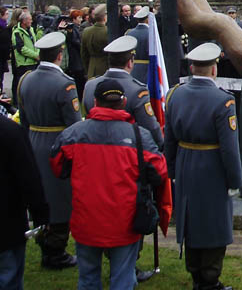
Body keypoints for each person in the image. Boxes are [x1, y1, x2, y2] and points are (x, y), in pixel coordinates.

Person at [50, 78, 170, 290]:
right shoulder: (138, 137)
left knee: (88, 279)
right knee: (122, 280)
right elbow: (159, 172)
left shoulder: (74, 135)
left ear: (95, 102)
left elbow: (58, 166)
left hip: (86, 220)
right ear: (123, 103)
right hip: (124, 222)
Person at [164, 43, 242, 290]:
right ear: (214, 70)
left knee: (192, 221)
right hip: (212, 168)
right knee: (213, 224)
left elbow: (169, 139)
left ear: (191, 67)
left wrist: (172, 171)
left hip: (186, 164)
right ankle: (209, 279)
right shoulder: (223, 101)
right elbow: (230, 148)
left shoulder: (175, 95)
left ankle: (197, 272)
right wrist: (235, 181)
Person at [18, 31, 82, 269]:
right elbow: (75, 125)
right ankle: (55, 249)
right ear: (59, 54)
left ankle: (46, 237)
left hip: (34, 141)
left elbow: (23, 118)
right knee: (60, 198)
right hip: (58, 145)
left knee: (41, 193)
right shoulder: (64, 84)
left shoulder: (26, 80)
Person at [83, 35, 164, 150]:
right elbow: (150, 127)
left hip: (94, 148)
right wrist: (161, 146)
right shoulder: (138, 90)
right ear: (130, 62)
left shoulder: (90, 85)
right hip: (126, 150)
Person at [0, 111, 49, 290]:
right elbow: (29, 179)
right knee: (8, 276)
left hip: (7, 221)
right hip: (6, 223)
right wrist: (41, 214)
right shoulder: (10, 131)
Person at [10, 11, 39, 107]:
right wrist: (35, 55)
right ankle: (20, 104)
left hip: (33, 62)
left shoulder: (31, 30)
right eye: (29, 19)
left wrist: (37, 53)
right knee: (23, 85)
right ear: (24, 21)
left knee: (32, 85)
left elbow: (35, 44)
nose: (31, 21)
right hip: (24, 63)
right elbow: (21, 48)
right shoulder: (17, 32)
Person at [81, 4, 109, 78]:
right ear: (105, 17)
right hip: (106, 69)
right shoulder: (108, 32)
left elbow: (84, 54)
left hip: (91, 68)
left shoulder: (86, 31)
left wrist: (88, 69)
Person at [125, 6, 151, 83]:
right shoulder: (151, 33)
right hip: (148, 69)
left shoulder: (129, 33)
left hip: (132, 68)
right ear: (147, 19)